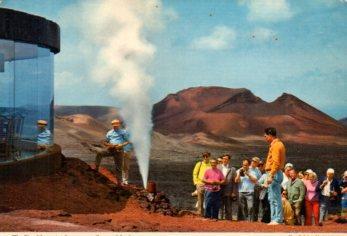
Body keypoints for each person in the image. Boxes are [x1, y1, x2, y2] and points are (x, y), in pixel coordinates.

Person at [94, 119, 132, 185]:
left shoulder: (123, 132)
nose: (115, 126)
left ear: (119, 125)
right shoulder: (109, 133)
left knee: (118, 167)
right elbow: (106, 140)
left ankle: (119, 183)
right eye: (114, 125)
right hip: (111, 149)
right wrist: (107, 144)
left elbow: (128, 141)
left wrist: (121, 145)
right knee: (99, 153)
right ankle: (96, 168)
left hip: (119, 150)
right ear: (112, 125)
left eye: (117, 125)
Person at [264, 127, 286, 225]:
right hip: (274, 172)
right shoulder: (277, 144)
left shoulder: (276, 145)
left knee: (275, 197)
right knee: (272, 197)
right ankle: (274, 219)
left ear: (270, 135)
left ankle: (277, 219)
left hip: (274, 173)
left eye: (265, 136)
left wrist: (271, 175)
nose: (264, 138)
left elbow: (276, 162)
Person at [218, 154, 237, 220]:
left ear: (229, 160)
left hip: (228, 190)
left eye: (226, 159)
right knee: (219, 206)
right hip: (219, 189)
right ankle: (220, 220)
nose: (224, 160)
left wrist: (234, 192)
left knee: (228, 207)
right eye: (223, 158)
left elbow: (234, 182)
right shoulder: (218, 167)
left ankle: (228, 222)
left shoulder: (232, 169)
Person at [250, 157, 262, 221]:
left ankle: (255, 219)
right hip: (248, 189)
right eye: (252, 161)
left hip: (256, 189)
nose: (253, 162)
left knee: (256, 204)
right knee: (249, 205)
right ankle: (248, 219)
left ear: (257, 163)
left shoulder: (258, 170)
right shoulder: (247, 168)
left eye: (255, 161)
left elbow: (260, 180)